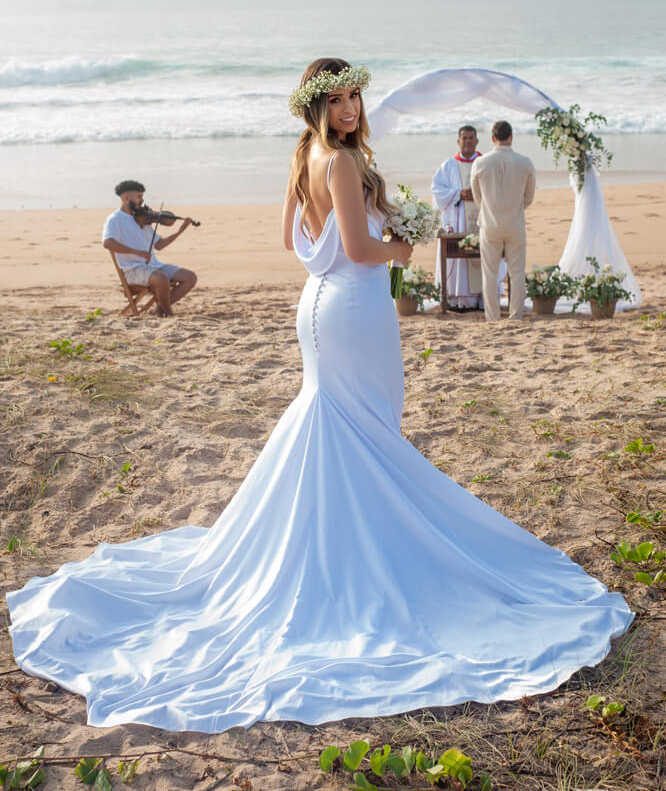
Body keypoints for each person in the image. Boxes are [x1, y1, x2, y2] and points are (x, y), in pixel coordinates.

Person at [7, 60, 631, 734]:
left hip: (318, 304)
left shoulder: (303, 155)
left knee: (340, 423)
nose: (350, 108)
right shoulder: (339, 161)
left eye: (355, 96)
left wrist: (355, 242)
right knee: (365, 427)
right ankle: (359, 552)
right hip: (354, 306)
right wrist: (399, 247)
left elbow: (290, 240)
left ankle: (336, 541)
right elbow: (360, 249)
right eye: (336, 100)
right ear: (315, 105)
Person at [470, 120, 536, 321]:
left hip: (490, 224)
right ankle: (515, 316)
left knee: (490, 274)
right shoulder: (525, 162)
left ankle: (492, 317)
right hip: (515, 223)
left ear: (492, 138)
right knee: (517, 273)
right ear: (511, 137)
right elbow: (529, 197)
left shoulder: (480, 163)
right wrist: (515, 207)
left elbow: (477, 198)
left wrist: (490, 208)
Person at [102, 180, 197, 317]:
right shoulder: (115, 219)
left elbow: (159, 245)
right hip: (132, 270)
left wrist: (179, 231)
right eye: (139, 196)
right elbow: (107, 243)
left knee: (190, 277)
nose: (142, 200)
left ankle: (159, 309)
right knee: (162, 279)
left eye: (142, 196)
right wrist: (136, 252)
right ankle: (168, 314)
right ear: (126, 197)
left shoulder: (143, 218)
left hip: (154, 266)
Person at [431, 126, 483, 310]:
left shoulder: (484, 163)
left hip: (480, 221)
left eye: (471, 138)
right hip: (457, 221)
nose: (467, 141)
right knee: (457, 259)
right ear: (458, 141)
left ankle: (481, 299)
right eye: (464, 138)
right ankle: (458, 300)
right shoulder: (448, 166)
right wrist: (459, 194)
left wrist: (477, 195)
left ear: (477, 141)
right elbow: (437, 190)